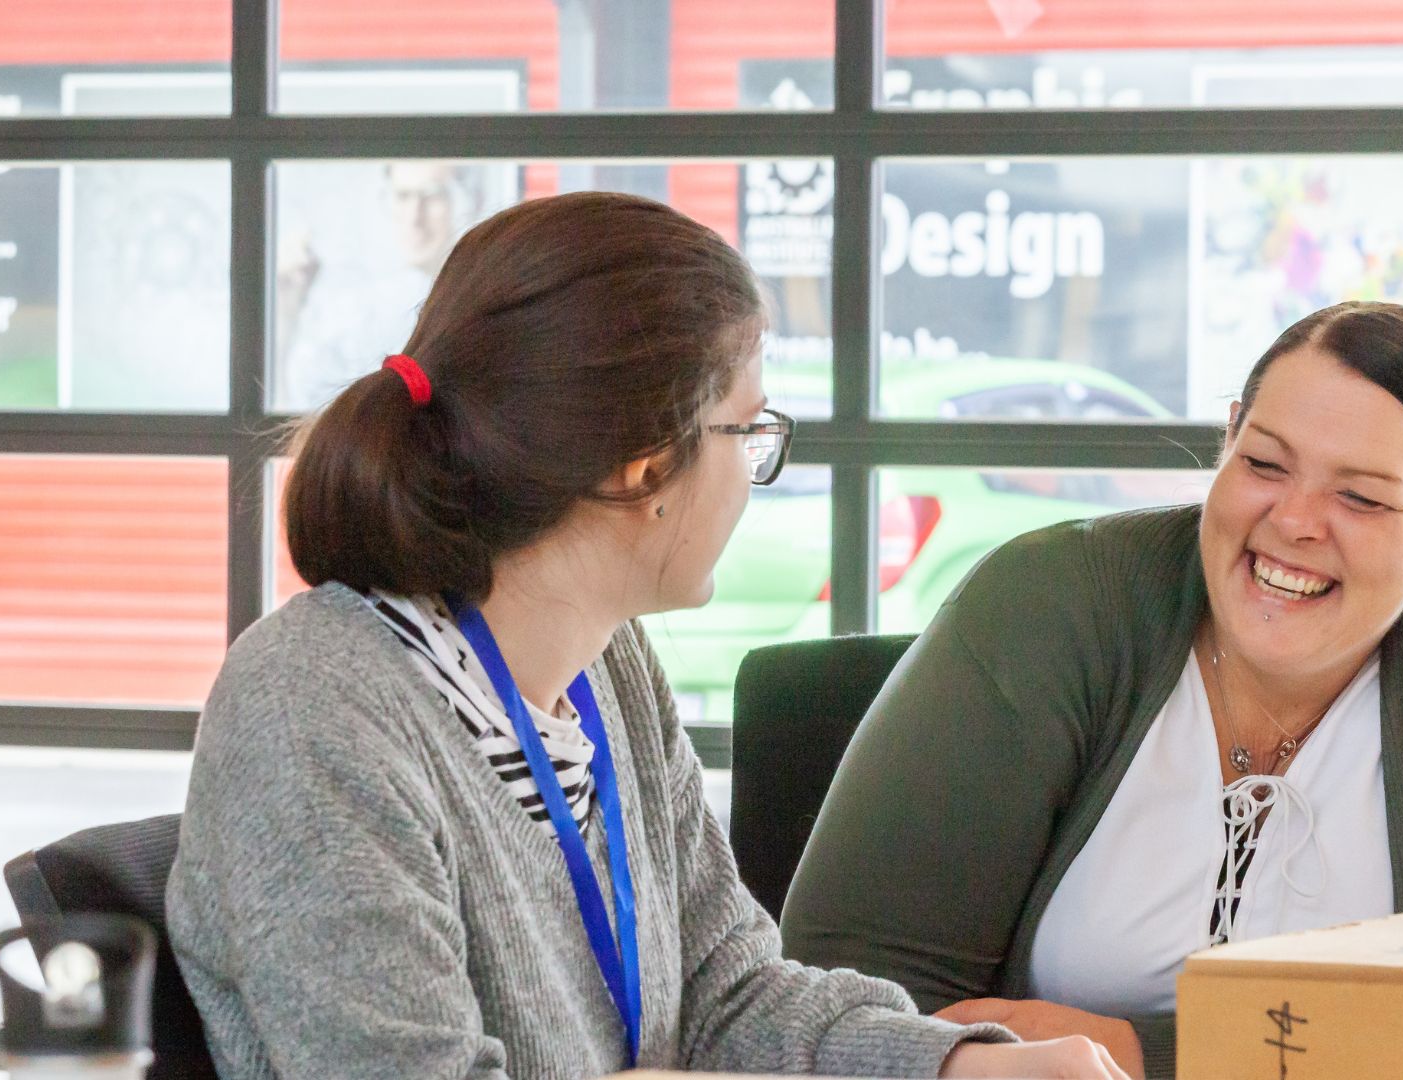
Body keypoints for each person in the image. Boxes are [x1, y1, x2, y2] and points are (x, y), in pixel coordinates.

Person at [167, 192, 1126, 1080]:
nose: (757, 470)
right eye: (747, 433)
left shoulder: (607, 666)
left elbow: (728, 995)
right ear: (641, 469)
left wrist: (957, 1066)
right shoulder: (312, 707)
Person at [781, 301, 1403, 1079]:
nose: (1294, 521)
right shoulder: (1051, 603)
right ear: (1227, 441)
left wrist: (1142, 1052)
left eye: (1359, 497)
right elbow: (851, 994)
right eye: (1263, 463)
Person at [274, 161, 488, 411]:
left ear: (470, 202)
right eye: (402, 196)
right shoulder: (358, 311)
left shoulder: (483, 306)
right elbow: (301, 406)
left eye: (432, 196)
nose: (414, 217)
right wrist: (284, 316)